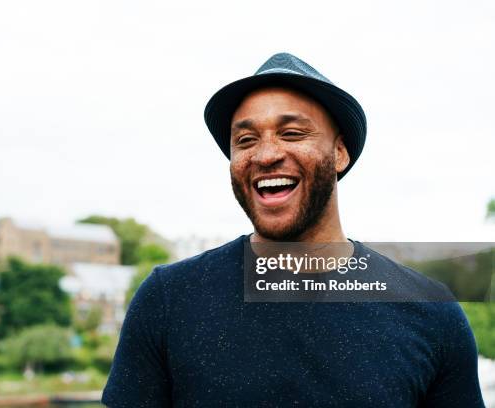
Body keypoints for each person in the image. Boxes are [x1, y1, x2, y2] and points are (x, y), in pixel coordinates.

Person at [101, 53, 484, 407]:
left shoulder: (432, 313)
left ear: (340, 153)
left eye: (292, 133)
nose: (266, 155)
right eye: (246, 140)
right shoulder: (169, 300)